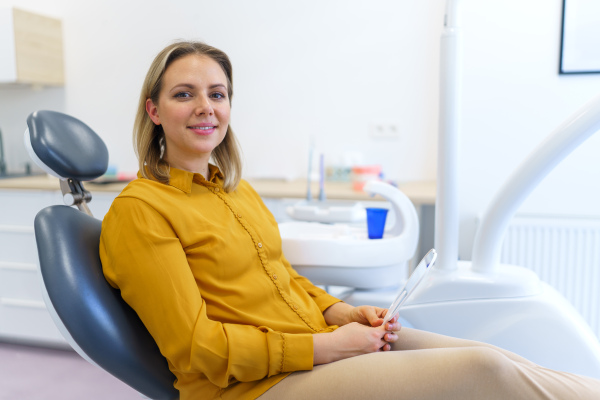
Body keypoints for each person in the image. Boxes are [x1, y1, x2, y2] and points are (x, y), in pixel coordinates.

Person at [99, 41, 600, 400]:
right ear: (155, 110)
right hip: (257, 386)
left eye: (218, 93)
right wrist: (325, 347)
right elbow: (198, 350)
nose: (206, 107)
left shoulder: (234, 190)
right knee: (485, 371)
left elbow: (283, 279)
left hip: (314, 342)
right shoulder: (141, 212)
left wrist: (340, 314)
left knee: (492, 353)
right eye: (184, 94)